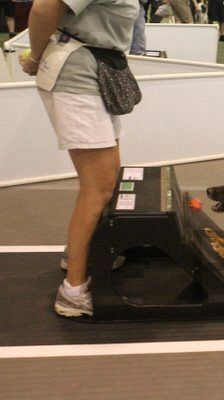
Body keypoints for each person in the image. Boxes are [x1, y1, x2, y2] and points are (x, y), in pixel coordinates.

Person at [20, 0, 139, 317]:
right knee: (97, 188)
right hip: (78, 77)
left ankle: (80, 253)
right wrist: (34, 57)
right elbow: (44, 9)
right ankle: (73, 292)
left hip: (97, 72)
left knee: (109, 181)